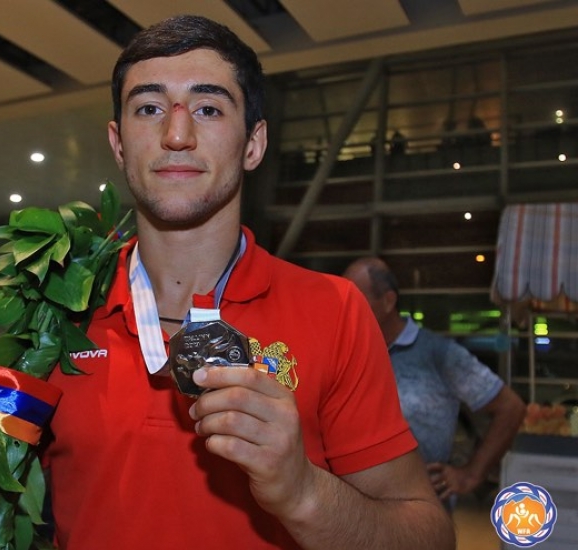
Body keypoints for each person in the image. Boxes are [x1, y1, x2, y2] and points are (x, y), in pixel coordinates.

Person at [43, 15, 454, 549]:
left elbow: (429, 538)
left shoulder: (334, 309)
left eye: (208, 108)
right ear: (119, 144)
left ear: (254, 144)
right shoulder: (56, 310)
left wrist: (302, 493)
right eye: (149, 108)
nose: (176, 135)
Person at [342, 257, 526, 509]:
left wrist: (471, 474)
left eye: (354, 300)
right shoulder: (349, 353)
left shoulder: (436, 353)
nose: (344, 309)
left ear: (388, 301)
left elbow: (511, 408)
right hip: (357, 507)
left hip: (419, 511)